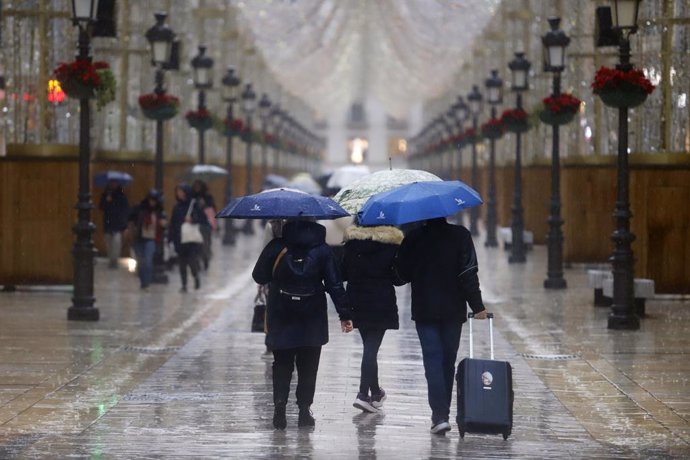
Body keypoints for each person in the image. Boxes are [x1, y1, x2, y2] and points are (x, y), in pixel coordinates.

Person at [252, 219, 353, 430]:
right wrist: (344, 314)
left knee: (282, 363)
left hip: (281, 312)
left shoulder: (277, 246)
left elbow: (258, 275)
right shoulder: (322, 250)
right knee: (309, 366)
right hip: (312, 315)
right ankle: (304, 411)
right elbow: (334, 284)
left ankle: (280, 408)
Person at [395, 217, 488, 435]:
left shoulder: (414, 238)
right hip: (452, 310)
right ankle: (441, 413)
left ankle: (440, 415)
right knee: (447, 361)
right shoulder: (461, 236)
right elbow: (468, 273)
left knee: (432, 360)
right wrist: (477, 305)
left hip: (425, 309)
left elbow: (400, 276)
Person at [342, 223, 405, 414]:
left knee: (370, 348)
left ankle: (376, 392)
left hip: (356, 300)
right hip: (381, 302)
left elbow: (343, 273)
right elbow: (398, 279)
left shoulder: (352, 244)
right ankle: (362, 394)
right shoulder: (392, 246)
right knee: (371, 349)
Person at [169, 184, 209, 292]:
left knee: (192, 262)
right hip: (180, 239)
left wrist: (192, 220)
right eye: (178, 191)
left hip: (191, 240)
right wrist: (170, 238)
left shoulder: (194, 204)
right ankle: (184, 285)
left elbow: (203, 219)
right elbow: (173, 223)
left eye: (181, 191)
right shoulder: (176, 207)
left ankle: (196, 277)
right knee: (182, 263)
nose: (179, 194)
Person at [127, 189, 166, 290]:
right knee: (140, 262)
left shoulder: (159, 212)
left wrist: (163, 224)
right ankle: (143, 281)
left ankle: (147, 282)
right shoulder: (139, 209)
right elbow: (130, 218)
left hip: (151, 239)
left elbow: (164, 225)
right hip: (139, 238)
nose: (152, 202)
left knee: (148, 260)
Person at [99, 179, 129, 268]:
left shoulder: (122, 195)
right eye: (112, 183)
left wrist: (124, 224)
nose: (113, 184)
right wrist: (106, 201)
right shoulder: (105, 194)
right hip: (108, 222)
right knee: (109, 243)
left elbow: (125, 209)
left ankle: (114, 261)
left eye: (115, 183)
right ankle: (111, 259)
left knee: (116, 243)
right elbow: (101, 207)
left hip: (117, 223)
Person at [191, 179, 216, 270]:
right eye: (195, 187)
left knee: (205, 244)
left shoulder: (207, 197)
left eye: (199, 187)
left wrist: (204, 204)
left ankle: (205, 259)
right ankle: (197, 262)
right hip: (195, 224)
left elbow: (212, 209)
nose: (197, 189)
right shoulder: (192, 198)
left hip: (205, 224)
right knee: (196, 245)